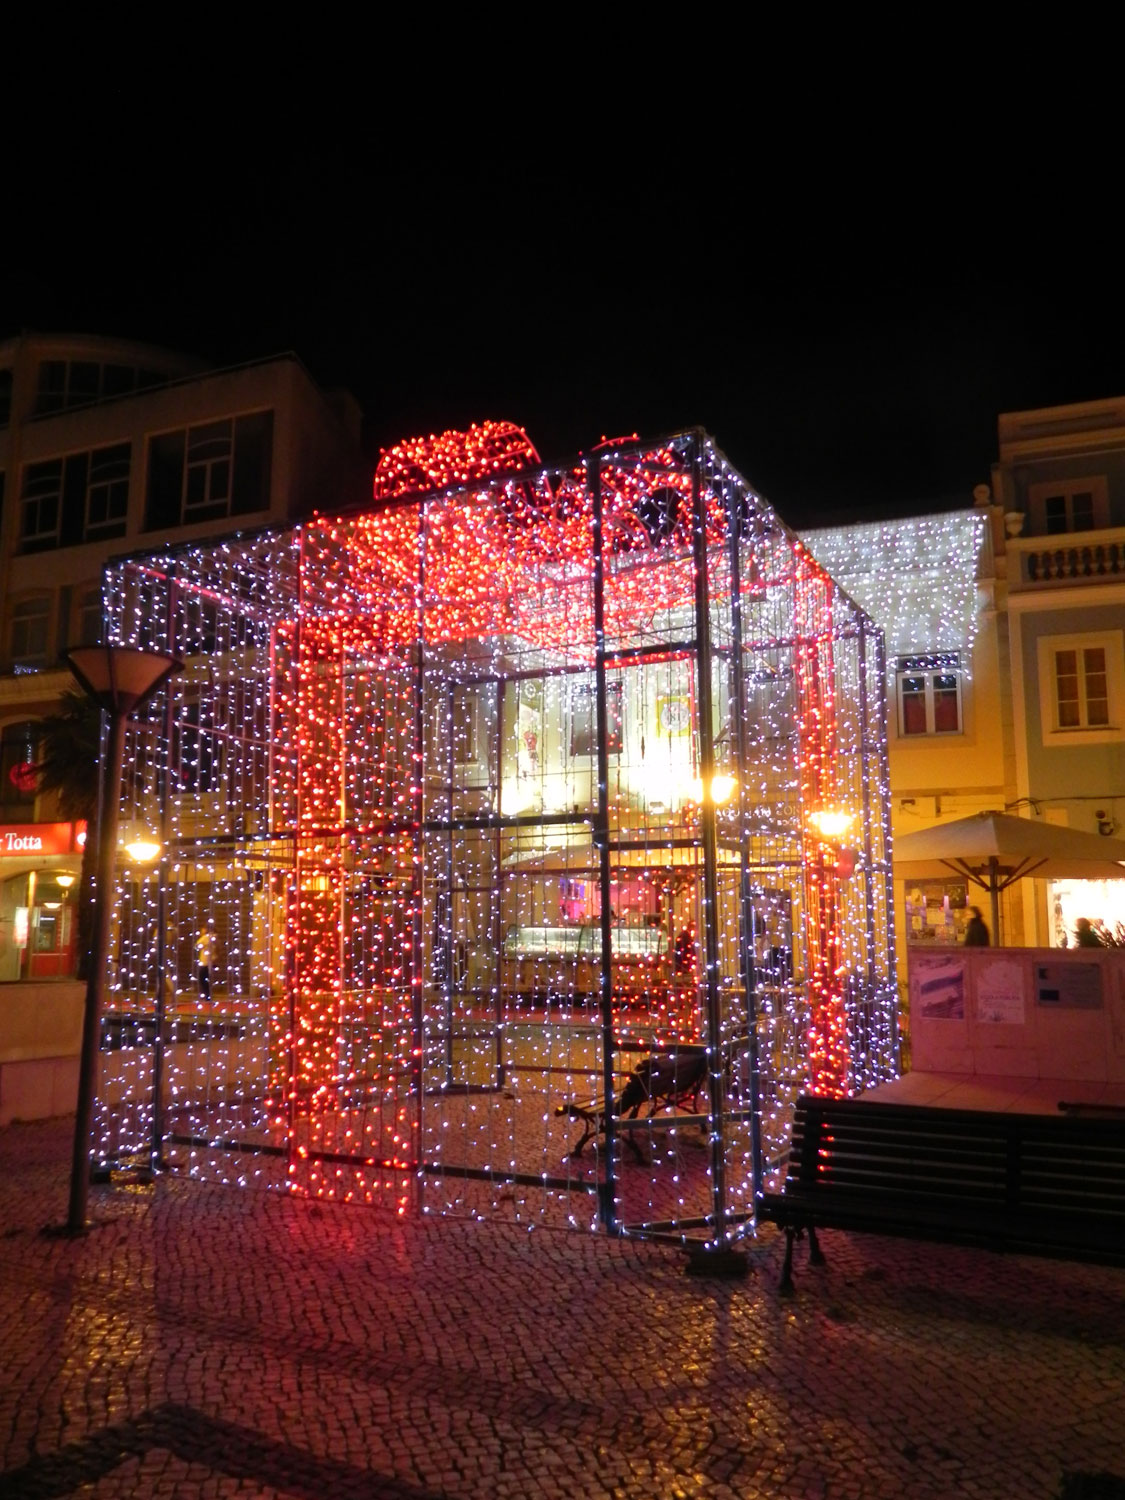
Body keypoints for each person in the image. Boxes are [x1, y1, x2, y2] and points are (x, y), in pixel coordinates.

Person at [196, 927, 214, 1002]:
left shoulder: (205, 937)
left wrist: (202, 946)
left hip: (204, 961)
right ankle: (208, 995)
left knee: (202, 979)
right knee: (207, 979)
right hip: (211, 961)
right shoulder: (213, 937)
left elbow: (197, 945)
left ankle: (207, 996)